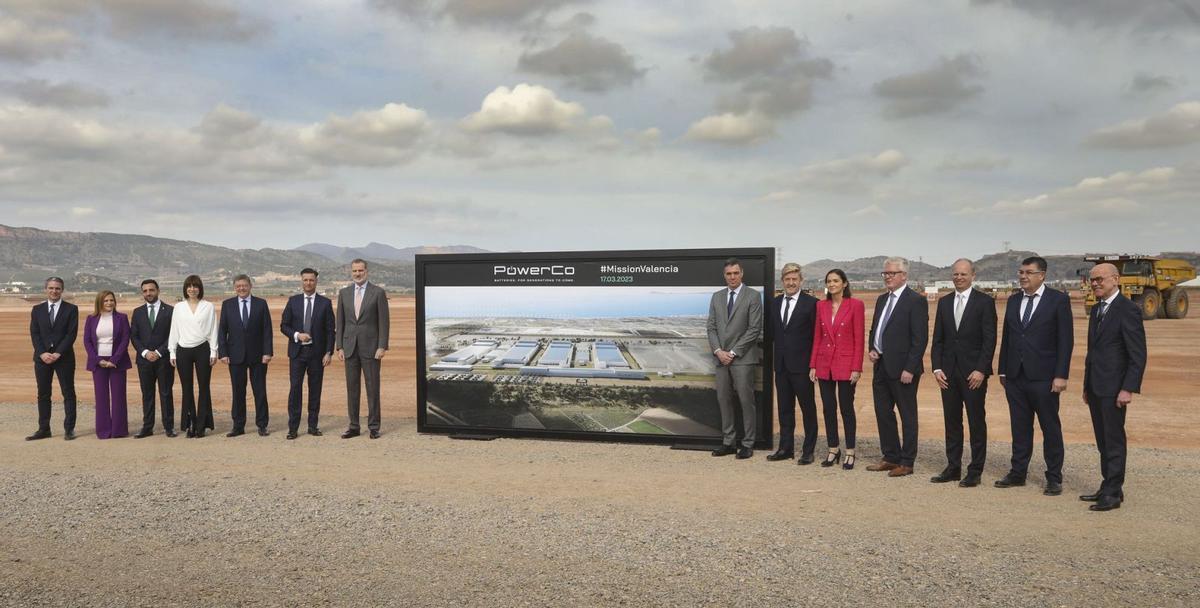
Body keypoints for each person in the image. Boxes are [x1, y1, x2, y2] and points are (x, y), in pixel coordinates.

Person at [995, 256, 1073, 496]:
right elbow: (1008, 337)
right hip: (1015, 377)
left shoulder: (1058, 300)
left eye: (1028, 272)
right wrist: (1003, 369)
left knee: (1050, 428)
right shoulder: (1014, 300)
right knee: (1020, 428)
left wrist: (1060, 375)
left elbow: (1065, 341)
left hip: (1044, 378)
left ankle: (1054, 477)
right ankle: (1018, 472)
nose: (1023, 276)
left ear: (1042, 275)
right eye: (1021, 272)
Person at [1081, 263, 1146, 511]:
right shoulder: (1097, 309)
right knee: (1103, 441)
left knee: (1114, 440)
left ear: (1115, 279)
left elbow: (1137, 353)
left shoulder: (1127, 310)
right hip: (1097, 386)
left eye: (1100, 279)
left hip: (1114, 388)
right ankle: (1109, 485)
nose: (1095, 283)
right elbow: (1093, 352)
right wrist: (1087, 386)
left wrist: (1128, 388)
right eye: (1092, 280)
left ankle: (1113, 493)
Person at [929, 259, 996, 487]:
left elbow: (989, 340)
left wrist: (981, 370)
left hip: (973, 375)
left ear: (973, 275)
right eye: (955, 274)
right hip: (948, 374)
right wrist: (937, 368)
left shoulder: (984, 302)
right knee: (952, 422)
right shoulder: (945, 302)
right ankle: (953, 467)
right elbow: (938, 339)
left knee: (976, 422)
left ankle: (975, 471)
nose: (959, 277)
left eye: (963, 274)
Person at [866, 256, 928, 477]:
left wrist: (910, 368)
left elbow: (919, 339)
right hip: (881, 365)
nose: (887, 278)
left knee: (907, 416)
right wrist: (872, 347)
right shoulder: (882, 299)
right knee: (883, 413)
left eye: (892, 273)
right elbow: (875, 328)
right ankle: (890, 457)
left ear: (904, 275)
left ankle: (907, 461)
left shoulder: (915, 300)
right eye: (885, 274)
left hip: (904, 370)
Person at [706, 258, 763, 459]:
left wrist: (733, 352)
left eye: (735, 273)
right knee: (724, 400)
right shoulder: (716, 297)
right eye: (729, 274)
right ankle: (728, 442)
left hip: (743, 358)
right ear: (725, 275)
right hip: (720, 358)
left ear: (742, 273)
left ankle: (747, 444)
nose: (732, 277)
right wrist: (718, 351)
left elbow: (754, 329)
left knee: (746, 401)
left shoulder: (753, 296)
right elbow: (711, 327)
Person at [809, 268, 865, 470]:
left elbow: (859, 340)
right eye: (829, 281)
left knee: (846, 408)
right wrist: (813, 364)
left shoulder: (855, 305)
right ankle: (833, 449)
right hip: (824, 363)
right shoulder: (821, 306)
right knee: (828, 408)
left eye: (835, 280)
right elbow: (817, 337)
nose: (832, 284)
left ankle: (850, 451)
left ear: (844, 283)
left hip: (846, 364)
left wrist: (856, 367)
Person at [767, 263, 819, 464]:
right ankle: (785, 448)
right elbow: (773, 333)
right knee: (784, 409)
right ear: (782, 281)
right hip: (781, 367)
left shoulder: (812, 304)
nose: (790, 283)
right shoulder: (775, 303)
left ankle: (808, 451)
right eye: (787, 279)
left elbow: (816, 337)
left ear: (801, 281)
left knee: (808, 409)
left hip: (802, 367)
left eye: (794, 279)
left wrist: (813, 364)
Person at [336, 259, 390, 439]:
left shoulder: (378, 293)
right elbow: (340, 322)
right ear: (351, 272)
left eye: (360, 270)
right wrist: (339, 346)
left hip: (371, 348)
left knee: (372, 387)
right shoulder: (344, 293)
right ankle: (354, 426)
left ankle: (374, 426)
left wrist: (382, 345)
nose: (357, 274)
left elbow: (384, 322)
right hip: (350, 347)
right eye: (354, 271)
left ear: (367, 271)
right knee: (352, 389)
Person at [280, 268, 336, 439]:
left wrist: (328, 352)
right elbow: (284, 325)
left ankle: (312, 426)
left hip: (317, 355)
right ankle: (293, 428)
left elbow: (330, 330)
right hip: (297, 353)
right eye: (305, 280)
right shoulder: (293, 301)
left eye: (311, 280)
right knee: (295, 389)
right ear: (301, 281)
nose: (308, 283)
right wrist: (297, 335)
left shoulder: (325, 303)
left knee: (315, 390)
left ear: (316, 281)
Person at [218, 274, 274, 437]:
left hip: (258, 356)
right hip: (235, 355)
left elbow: (267, 330)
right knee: (238, 392)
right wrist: (223, 352)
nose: (241, 288)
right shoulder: (227, 305)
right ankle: (238, 426)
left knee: (260, 391)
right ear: (234, 288)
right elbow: (222, 330)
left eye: (244, 285)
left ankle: (262, 425)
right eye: (238, 286)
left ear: (250, 286)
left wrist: (267, 352)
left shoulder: (261, 304)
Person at [28, 276, 79, 441]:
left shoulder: (71, 309)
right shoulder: (37, 310)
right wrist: (42, 353)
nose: (54, 291)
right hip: (42, 358)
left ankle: (69, 429)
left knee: (68, 393)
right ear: (46, 289)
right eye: (51, 288)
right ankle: (44, 429)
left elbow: (71, 334)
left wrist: (58, 353)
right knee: (43, 393)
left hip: (63, 358)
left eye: (57, 288)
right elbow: (35, 333)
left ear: (62, 290)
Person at [169, 275, 218, 438]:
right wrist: (172, 351)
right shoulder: (179, 307)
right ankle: (190, 423)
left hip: (203, 349)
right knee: (187, 388)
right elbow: (174, 330)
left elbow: (213, 330)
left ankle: (202, 424)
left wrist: (213, 351)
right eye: (189, 286)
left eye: (195, 286)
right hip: (183, 350)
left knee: (204, 387)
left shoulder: (208, 306)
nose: (192, 289)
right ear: (185, 289)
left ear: (200, 288)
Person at [83, 291, 132, 439]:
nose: (109, 303)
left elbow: (125, 339)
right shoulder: (91, 319)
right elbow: (87, 341)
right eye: (106, 301)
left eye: (111, 300)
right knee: (101, 397)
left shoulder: (122, 318)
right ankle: (104, 431)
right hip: (98, 362)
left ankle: (119, 430)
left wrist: (114, 359)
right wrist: (98, 359)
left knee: (119, 397)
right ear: (100, 302)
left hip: (117, 362)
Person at [130, 279, 176, 438]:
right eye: (145, 291)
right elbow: (134, 336)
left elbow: (173, 335)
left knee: (165, 393)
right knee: (147, 394)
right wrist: (145, 353)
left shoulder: (170, 310)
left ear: (158, 290)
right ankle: (147, 427)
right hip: (144, 361)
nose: (148, 293)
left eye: (151, 290)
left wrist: (158, 352)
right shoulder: (137, 312)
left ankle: (169, 427)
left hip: (164, 359)